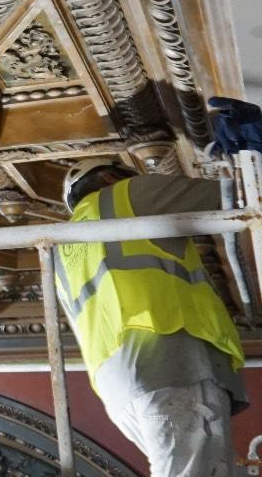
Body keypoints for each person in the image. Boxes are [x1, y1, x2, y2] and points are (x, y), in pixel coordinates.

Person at [56, 160, 247, 477]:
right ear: (108, 177)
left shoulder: (61, 248)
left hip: (120, 388)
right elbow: (235, 197)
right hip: (169, 357)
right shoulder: (126, 196)